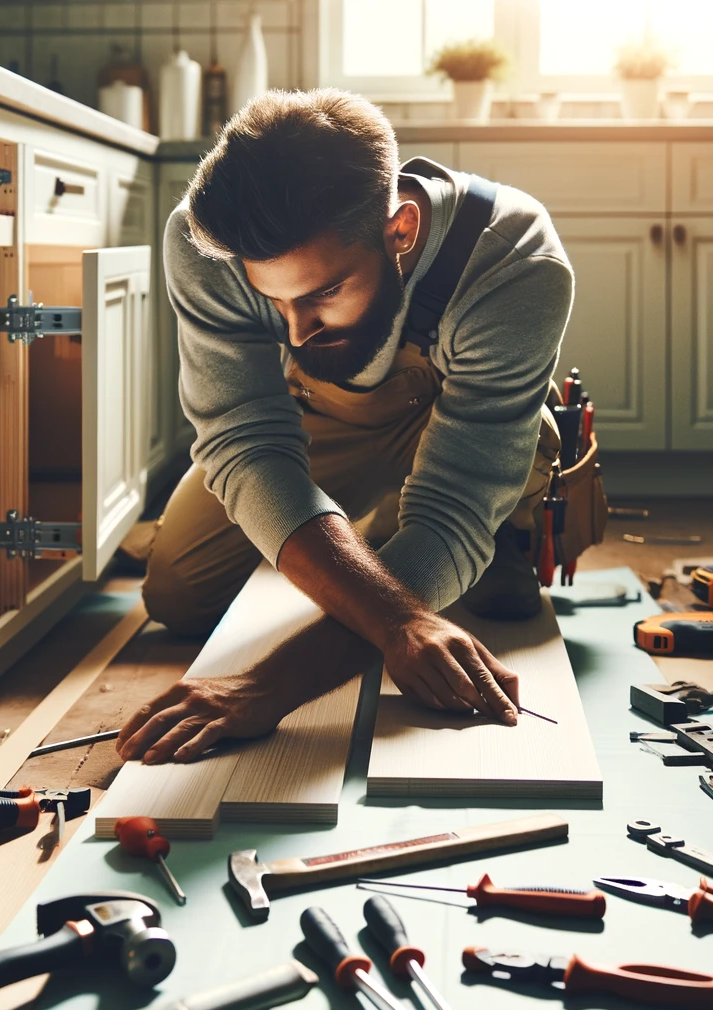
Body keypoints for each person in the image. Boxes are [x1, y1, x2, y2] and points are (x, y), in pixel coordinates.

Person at [117, 88, 574, 766]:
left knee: (462, 556)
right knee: (178, 592)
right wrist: (397, 617)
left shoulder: (517, 260)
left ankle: (505, 524)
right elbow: (245, 438)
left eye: (323, 292)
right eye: (274, 300)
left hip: (450, 426)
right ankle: (376, 543)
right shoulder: (209, 242)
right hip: (322, 417)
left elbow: (451, 509)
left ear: (401, 232)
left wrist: (262, 688)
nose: (294, 330)